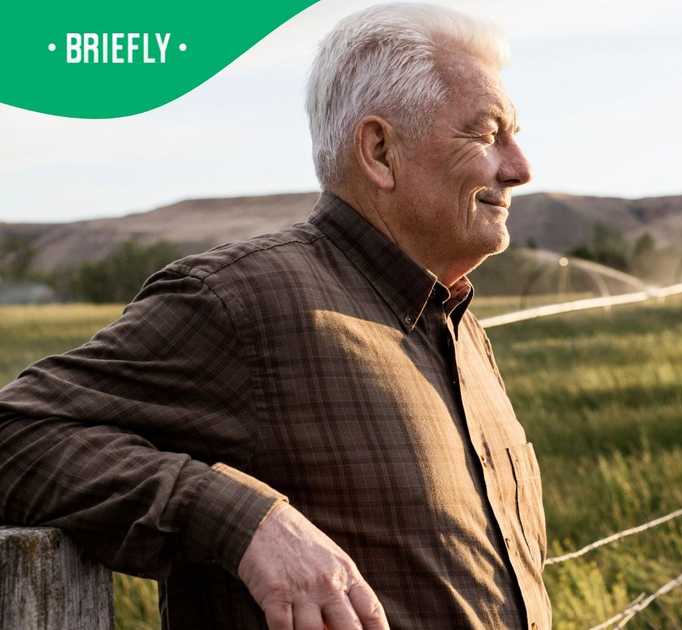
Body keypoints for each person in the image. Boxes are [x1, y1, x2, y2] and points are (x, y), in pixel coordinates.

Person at [0, 4, 550, 629]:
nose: (521, 167)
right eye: (485, 133)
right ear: (379, 151)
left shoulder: (455, 320)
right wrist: (242, 521)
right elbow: (13, 432)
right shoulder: (243, 300)